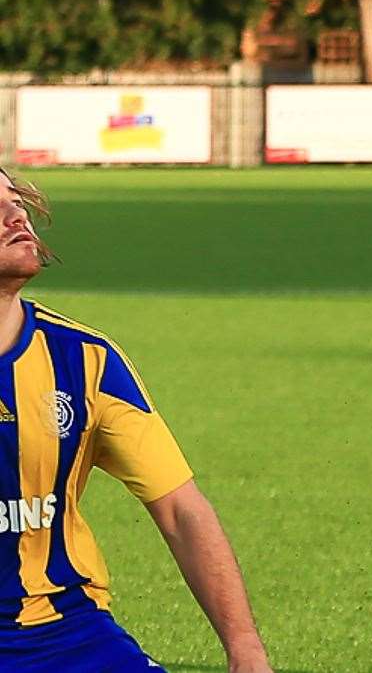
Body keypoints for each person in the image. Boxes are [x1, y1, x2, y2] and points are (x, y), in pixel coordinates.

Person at [0, 170, 271, 673]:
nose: (16, 216)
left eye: (16, 201)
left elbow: (180, 509)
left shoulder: (84, 360)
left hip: (67, 635)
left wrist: (246, 651)